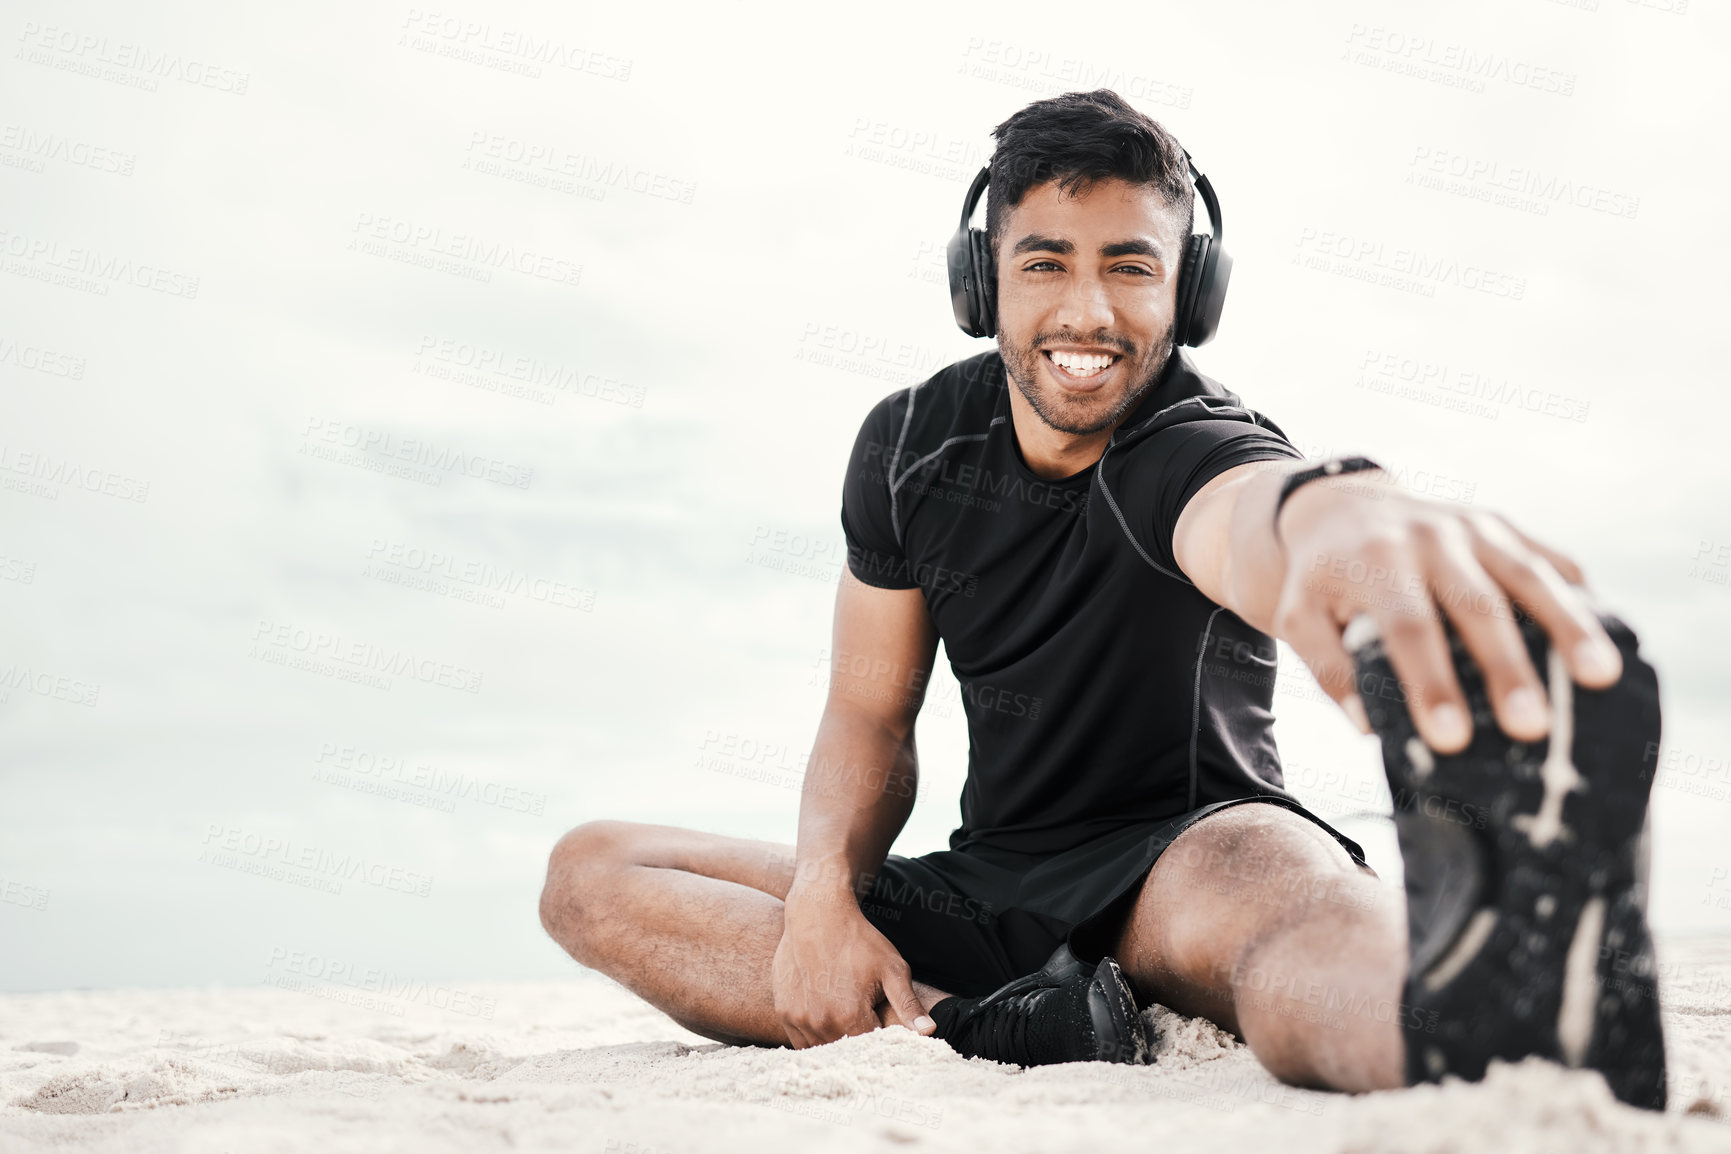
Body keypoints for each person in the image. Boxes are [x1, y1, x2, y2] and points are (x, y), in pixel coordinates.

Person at [538, 89, 1665, 1108]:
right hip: (988, 885)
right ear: (982, 280)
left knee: (1298, 913)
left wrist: (1339, 514)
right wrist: (826, 901)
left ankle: (1479, 1019)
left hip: (1193, 854)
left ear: (1190, 290)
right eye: (1044, 263)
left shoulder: (1191, 442)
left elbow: (1253, 517)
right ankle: (1007, 1024)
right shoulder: (908, 447)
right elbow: (869, 714)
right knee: (593, 872)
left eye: (1130, 266)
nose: (1088, 310)